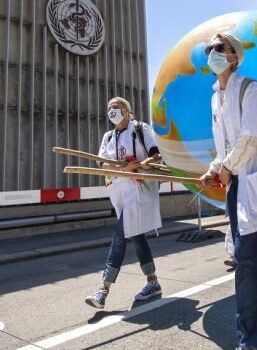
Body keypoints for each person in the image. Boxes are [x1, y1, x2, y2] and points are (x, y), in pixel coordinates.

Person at [199, 33, 257, 349]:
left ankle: (252, 343)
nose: (212, 53)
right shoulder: (216, 98)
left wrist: (226, 167)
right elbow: (223, 148)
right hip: (238, 187)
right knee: (253, 261)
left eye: (218, 48)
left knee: (250, 264)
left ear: (234, 56)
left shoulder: (250, 90)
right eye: (208, 49)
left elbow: (251, 138)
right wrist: (214, 169)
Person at [85, 97, 163, 309]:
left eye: (116, 108)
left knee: (120, 235)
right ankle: (153, 281)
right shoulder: (108, 136)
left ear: (127, 110)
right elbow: (102, 163)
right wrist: (119, 168)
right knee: (136, 236)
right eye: (109, 109)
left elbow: (156, 156)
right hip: (119, 193)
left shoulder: (140, 128)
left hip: (139, 190)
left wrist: (138, 165)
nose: (112, 112)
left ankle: (103, 289)